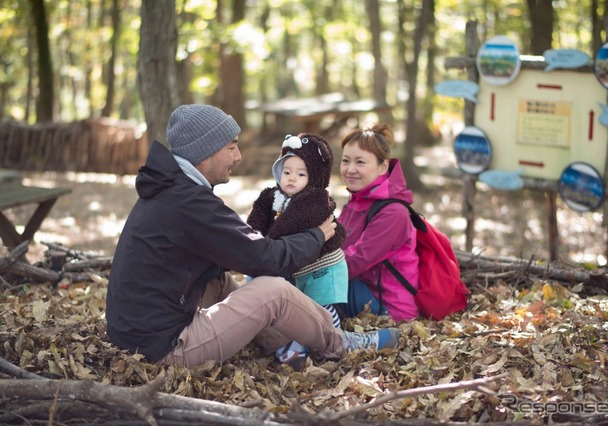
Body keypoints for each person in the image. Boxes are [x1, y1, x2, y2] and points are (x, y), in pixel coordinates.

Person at [105, 105, 400, 369]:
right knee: (273, 290)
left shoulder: (173, 190)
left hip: (138, 337)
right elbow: (268, 259)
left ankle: (283, 346)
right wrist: (316, 235)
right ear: (206, 151)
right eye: (232, 146)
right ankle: (338, 344)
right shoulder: (187, 203)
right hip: (164, 349)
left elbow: (237, 249)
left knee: (217, 278)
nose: (238, 156)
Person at [247, 133, 348, 368]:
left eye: (301, 174)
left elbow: (286, 227)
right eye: (287, 171)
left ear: (313, 178)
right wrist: (253, 238)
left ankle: (335, 340)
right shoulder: (273, 196)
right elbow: (257, 218)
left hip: (323, 267)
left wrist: (266, 246)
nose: (292, 178)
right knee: (299, 309)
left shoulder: (316, 200)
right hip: (298, 265)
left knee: (321, 306)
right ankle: (297, 342)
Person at [337, 123, 420, 322]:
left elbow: (355, 262)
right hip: (362, 288)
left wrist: (304, 267)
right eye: (346, 161)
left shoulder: (393, 212)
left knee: (308, 285)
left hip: (390, 309)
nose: (350, 169)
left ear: (383, 167)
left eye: (360, 162)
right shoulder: (357, 202)